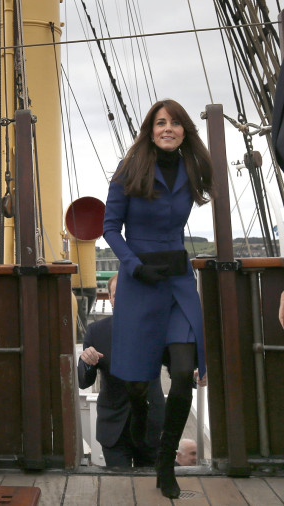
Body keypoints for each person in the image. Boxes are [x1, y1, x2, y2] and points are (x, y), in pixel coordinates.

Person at [103, 99, 214, 499]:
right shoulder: (128, 171)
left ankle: (165, 463)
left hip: (179, 282)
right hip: (139, 281)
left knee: (184, 371)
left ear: (185, 130)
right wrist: (133, 267)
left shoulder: (192, 168)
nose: (168, 128)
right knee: (137, 383)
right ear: (150, 130)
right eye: (161, 123)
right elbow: (110, 228)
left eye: (176, 123)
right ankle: (138, 419)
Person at [78, 274, 165, 467]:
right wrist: (86, 362)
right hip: (114, 426)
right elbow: (84, 381)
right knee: (120, 487)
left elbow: (174, 360)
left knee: (150, 487)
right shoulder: (96, 331)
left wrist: (194, 373)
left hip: (150, 424)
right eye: (117, 294)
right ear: (110, 298)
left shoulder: (157, 328)